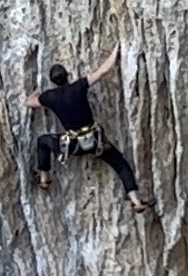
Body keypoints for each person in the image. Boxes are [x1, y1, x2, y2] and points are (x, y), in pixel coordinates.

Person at [29, 57, 150, 212]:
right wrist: (115, 52)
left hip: (72, 145)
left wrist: (35, 93)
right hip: (95, 141)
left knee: (43, 141)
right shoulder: (79, 87)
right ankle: (136, 200)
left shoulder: (50, 97)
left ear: (52, 81)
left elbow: (29, 103)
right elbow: (102, 71)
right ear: (68, 75)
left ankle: (44, 179)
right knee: (120, 164)